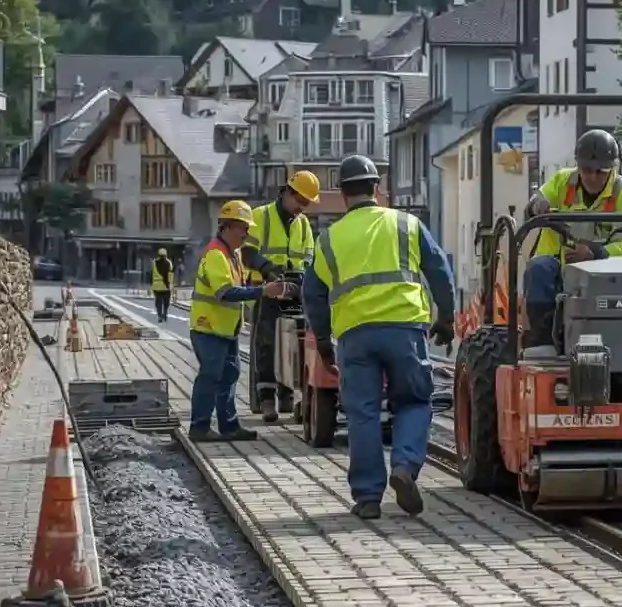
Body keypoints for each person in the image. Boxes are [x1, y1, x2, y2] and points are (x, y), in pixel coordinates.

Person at [303, 154, 455, 520]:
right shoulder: (407, 224)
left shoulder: (328, 240)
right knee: (415, 401)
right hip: (404, 329)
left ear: (342, 194)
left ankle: (368, 498)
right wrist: (447, 318)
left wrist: (323, 341)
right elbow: (439, 270)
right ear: (378, 189)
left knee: (363, 414)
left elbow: (313, 294)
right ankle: (404, 466)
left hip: (355, 336)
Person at [522, 129, 622, 350]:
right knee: (538, 268)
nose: (592, 177)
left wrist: (596, 253)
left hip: (607, 276)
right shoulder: (562, 181)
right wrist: (536, 206)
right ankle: (544, 343)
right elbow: (535, 203)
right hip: (557, 268)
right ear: (578, 165)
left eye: (600, 171)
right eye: (587, 170)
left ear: (613, 168)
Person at [190, 201, 294, 442]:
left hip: (226, 329)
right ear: (227, 227)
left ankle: (229, 426)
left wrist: (263, 288)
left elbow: (240, 288)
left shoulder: (233, 255)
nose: (247, 235)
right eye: (243, 229)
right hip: (209, 328)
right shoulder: (216, 254)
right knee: (210, 376)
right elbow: (225, 292)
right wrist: (263, 292)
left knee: (230, 374)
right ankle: (199, 427)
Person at [242, 170, 320, 422]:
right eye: (300, 201)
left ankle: (288, 395)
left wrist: (304, 279)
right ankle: (266, 397)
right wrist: (268, 270)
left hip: (295, 292)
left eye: (306, 204)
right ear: (287, 192)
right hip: (267, 291)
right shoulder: (260, 216)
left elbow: (309, 258)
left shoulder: (304, 224)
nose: (302, 208)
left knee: (294, 345)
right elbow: (247, 253)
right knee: (266, 343)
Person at [151, 248, 174, 323]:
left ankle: (160, 315)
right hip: (166, 287)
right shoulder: (169, 263)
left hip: (157, 287)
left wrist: (151, 284)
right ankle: (165, 313)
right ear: (166, 255)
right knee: (166, 302)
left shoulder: (154, 263)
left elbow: (152, 275)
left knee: (158, 303)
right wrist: (171, 285)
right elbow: (171, 275)